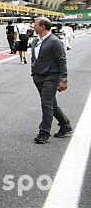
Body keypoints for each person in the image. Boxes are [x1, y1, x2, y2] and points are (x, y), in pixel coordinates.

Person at [30, 16, 71, 144]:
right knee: (52, 104)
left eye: (35, 24)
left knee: (46, 104)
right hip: (38, 77)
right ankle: (65, 125)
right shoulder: (35, 41)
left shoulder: (55, 41)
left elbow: (62, 61)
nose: (33, 26)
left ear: (42, 26)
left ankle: (44, 133)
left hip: (51, 77)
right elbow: (34, 58)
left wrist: (63, 79)